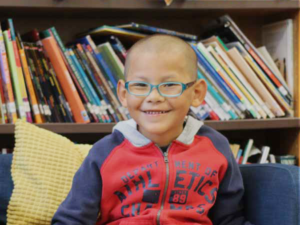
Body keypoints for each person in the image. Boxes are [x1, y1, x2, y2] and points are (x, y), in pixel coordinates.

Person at [52, 34, 253, 225]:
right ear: (123, 93)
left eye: (169, 85)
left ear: (197, 93)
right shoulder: (104, 153)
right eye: (140, 85)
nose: (154, 97)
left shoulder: (216, 147)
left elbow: (229, 219)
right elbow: (72, 219)